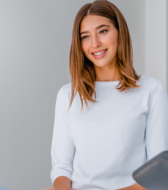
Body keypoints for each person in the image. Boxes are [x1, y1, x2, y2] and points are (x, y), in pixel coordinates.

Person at [50, 1, 168, 190]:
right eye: (85, 36)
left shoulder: (151, 90)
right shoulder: (68, 95)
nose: (95, 43)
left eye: (103, 31)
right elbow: (61, 168)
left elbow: (159, 170)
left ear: (120, 32)